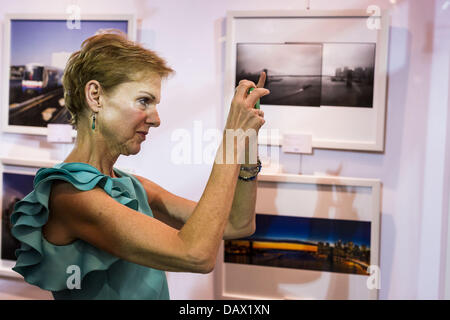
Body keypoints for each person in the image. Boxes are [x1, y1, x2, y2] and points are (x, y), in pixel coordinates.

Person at [10, 31, 269, 300]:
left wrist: (246, 140)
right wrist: (231, 140)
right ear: (95, 96)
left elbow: (237, 225)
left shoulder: (131, 187)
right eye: (144, 101)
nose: (156, 119)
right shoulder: (71, 196)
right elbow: (196, 255)